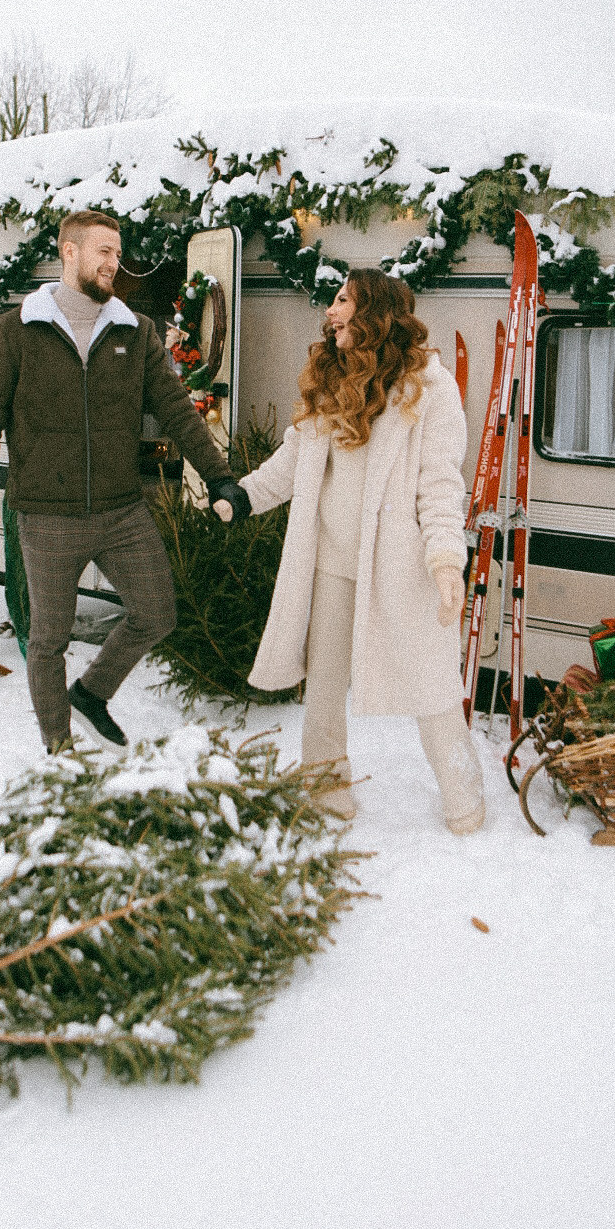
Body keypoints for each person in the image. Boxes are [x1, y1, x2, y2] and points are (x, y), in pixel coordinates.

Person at [0, 209, 248, 752]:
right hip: (47, 514)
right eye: (103, 252)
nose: (114, 263)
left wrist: (219, 477)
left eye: (117, 253)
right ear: (69, 252)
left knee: (157, 612)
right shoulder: (16, 331)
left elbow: (176, 409)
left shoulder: (134, 332)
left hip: (121, 510)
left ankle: (92, 693)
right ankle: (59, 747)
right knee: (48, 638)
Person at [233, 268, 484, 830]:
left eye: (343, 300)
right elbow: (292, 461)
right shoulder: (330, 379)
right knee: (324, 684)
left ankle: (464, 790)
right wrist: (243, 497)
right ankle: (325, 786)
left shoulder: (430, 387)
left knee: (430, 681)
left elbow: (441, 482)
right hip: (330, 561)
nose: (330, 311)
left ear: (374, 313)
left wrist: (447, 560)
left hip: (400, 563)